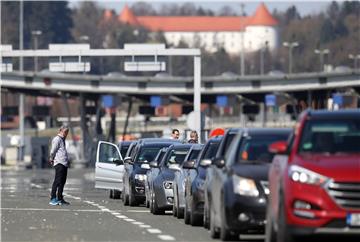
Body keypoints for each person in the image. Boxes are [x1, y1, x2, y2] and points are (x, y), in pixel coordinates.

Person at [49, 125, 70, 206]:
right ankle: (53, 198)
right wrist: (51, 158)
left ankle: (60, 198)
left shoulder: (62, 139)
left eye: (67, 132)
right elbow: (53, 150)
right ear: (60, 131)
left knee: (62, 182)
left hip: (64, 163)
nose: (66, 133)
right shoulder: (57, 139)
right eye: (65, 132)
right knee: (57, 181)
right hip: (59, 163)